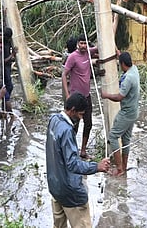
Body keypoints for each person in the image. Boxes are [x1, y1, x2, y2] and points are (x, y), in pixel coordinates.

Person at [46, 92, 110, 227]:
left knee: (59, 225)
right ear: (73, 110)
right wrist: (96, 167)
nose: (81, 118)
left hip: (55, 186)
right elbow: (72, 164)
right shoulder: (67, 131)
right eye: (80, 114)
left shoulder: (53, 120)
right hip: (70, 192)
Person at [99, 51, 140, 176]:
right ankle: (124, 166)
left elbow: (119, 97)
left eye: (119, 63)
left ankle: (119, 168)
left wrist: (106, 95)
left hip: (126, 113)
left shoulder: (128, 78)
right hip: (134, 112)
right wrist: (119, 54)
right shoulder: (134, 70)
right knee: (126, 139)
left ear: (122, 64)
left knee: (113, 136)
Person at [62, 36, 98, 157]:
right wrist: (67, 95)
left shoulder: (89, 53)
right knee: (73, 125)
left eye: (85, 43)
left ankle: (83, 150)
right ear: (78, 44)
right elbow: (64, 74)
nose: (83, 46)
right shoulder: (72, 57)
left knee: (88, 124)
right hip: (76, 98)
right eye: (81, 43)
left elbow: (100, 47)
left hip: (87, 96)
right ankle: (70, 150)